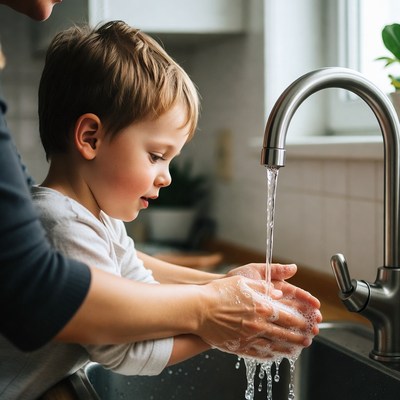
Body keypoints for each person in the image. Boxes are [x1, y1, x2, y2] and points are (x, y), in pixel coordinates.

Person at [0, 21, 321, 399]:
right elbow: (127, 352)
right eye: (155, 156)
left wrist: (228, 290)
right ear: (90, 138)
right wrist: (225, 332)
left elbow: (144, 294)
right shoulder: (63, 225)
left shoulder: (95, 219)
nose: (165, 177)